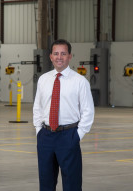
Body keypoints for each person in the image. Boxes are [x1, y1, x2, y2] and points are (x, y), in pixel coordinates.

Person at [33, 39, 95, 191]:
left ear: (69, 56)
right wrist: (38, 130)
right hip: (45, 137)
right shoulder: (43, 80)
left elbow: (88, 111)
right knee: (46, 183)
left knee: (72, 184)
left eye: (63, 53)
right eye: (56, 53)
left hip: (68, 136)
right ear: (50, 57)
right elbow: (38, 107)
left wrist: (77, 135)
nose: (59, 57)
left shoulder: (80, 82)